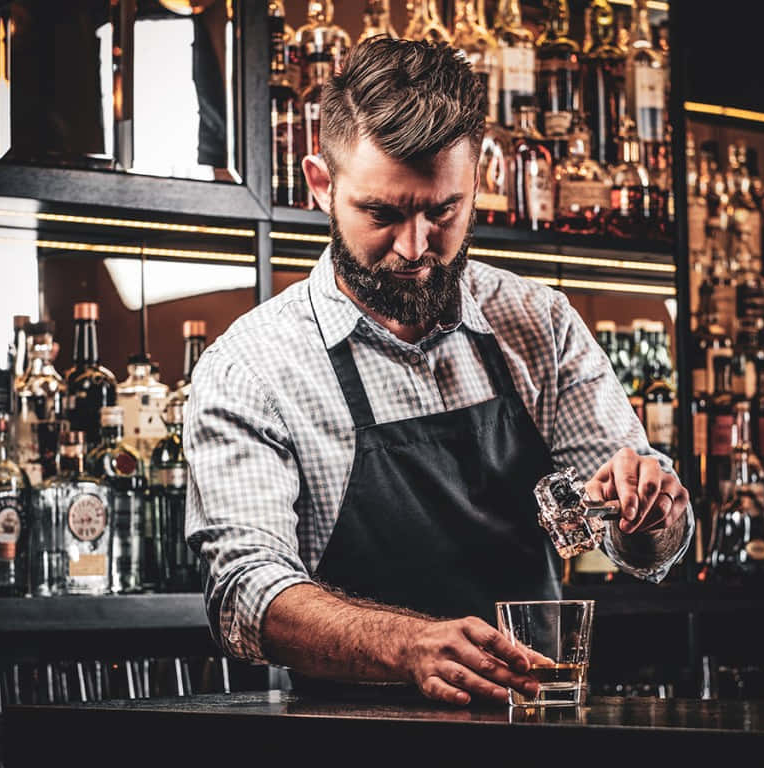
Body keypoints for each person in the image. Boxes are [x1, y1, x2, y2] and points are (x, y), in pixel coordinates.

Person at [184, 37, 690, 707]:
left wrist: (654, 513)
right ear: (320, 186)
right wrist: (409, 647)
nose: (415, 248)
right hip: (350, 742)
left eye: (442, 211)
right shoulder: (254, 367)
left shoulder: (539, 324)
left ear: (477, 178)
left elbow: (646, 548)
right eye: (382, 214)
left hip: (534, 724)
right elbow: (246, 597)